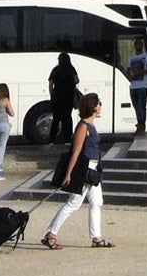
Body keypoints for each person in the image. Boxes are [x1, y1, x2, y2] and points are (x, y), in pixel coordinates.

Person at [41, 94, 113, 250]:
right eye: (99, 103)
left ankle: (96, 237)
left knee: (96, 202)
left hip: (94, 169)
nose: (101, 106)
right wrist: (68, 173)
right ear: (93, 107)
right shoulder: (83, 127)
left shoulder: (90, 126)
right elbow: (76, 151)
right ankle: (51, 233)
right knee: (73, 203)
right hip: (85, 170)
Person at [47, 52, 80, 144]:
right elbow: (77, 80)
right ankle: (67, 139)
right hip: (68, 97)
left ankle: (52, 139)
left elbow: (50, 83)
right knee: (67, 118)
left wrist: (52, 95)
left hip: (57, 97)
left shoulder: (56, 69)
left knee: (56, 118)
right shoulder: (71, 69)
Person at [126, 41, 147, 134]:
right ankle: (139, 124)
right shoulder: (131, 58)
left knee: (141, 107)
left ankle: (141, 126)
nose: (140, 45)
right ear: (135, 46)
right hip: (133, 86)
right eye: (138, 44)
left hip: (142, 86)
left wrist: (139, 73)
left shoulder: (146, 57)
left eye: (141, 44)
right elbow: (128, 70)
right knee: (136, 107)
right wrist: (129, 75)